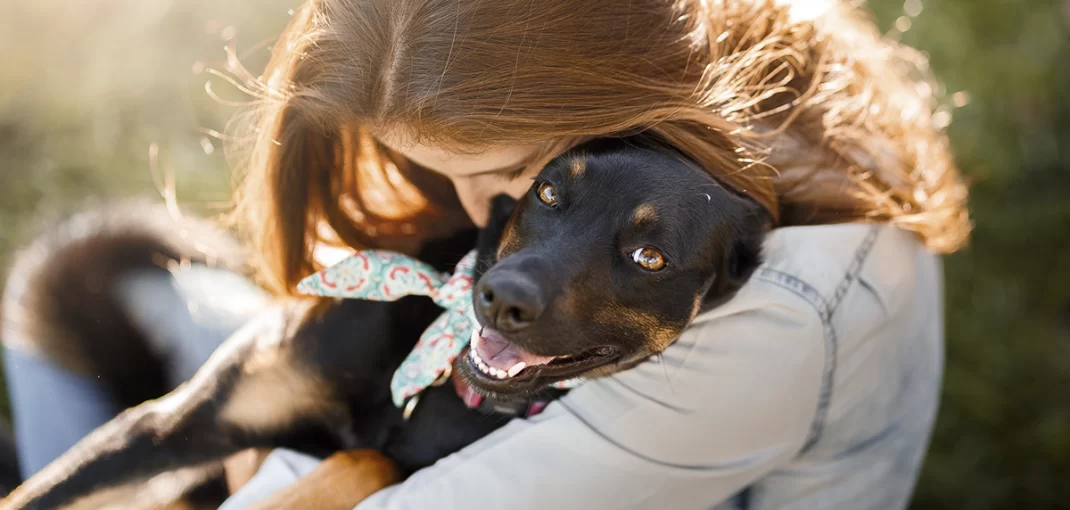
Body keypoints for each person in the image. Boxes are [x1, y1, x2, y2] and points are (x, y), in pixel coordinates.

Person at [2, 0, 971, 508]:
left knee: (94, 331)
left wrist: (256, 453)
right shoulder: (699, 51)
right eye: (422, 165)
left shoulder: (760, 321)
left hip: (633, 485)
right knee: (81, 274)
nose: (481, 218)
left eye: (510, 169)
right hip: (442, 395)